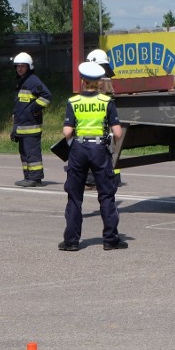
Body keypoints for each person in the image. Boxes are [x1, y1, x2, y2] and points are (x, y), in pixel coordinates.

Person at [59, 62, 127, 251]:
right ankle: (111, 240)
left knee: (74, 196)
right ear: (98, 83)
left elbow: (67, 132)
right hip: (99, 150)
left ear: (82, 81)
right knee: (106, 195)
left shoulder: (73, 102)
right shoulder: (107, 102)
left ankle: (71, 241)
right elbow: (118, 133)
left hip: (79, 149)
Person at [84, 49, 123, 188]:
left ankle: (91, 179)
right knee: (111, 149)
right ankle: (114, 177)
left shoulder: (98, 81)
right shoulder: (110, 80)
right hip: (111, 121)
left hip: (97, 122)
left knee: (92, 147)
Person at [11, 52, 51, 187]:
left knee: (32, 153)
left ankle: (35, 178)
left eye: (22, 66)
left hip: (31, 126)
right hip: (22, 125)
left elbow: (47, 96)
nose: (19, 68)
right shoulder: (22, 81)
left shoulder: (33, 81)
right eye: (17, 66)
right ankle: (28, 177)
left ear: (29, 67)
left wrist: (33, 109)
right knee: (24, 153)